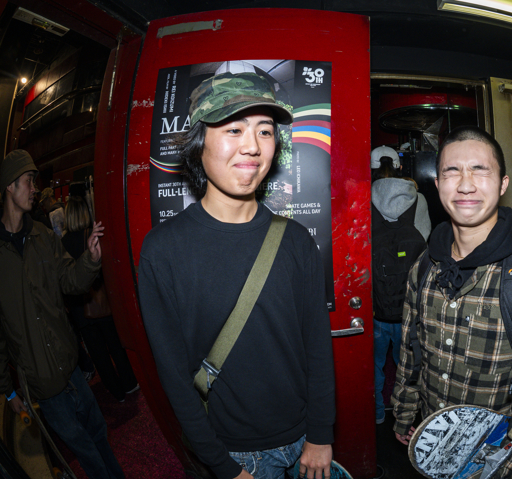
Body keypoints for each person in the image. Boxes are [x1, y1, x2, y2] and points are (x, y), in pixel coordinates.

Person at [138, 72, 335, 479]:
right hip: (236, 454)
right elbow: (173, 374)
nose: (253, 146)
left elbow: (317, 344)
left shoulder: (296, 241)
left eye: (265, 131)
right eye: (233, 129)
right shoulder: (163, 250)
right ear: (198, 143)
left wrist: (320, 433)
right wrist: (221, 465)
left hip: (304, 437)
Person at [391, 126, 512, 478]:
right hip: (431, 439)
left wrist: (506, 469)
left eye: (480, 170)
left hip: (494, 454)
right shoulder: (424, 265)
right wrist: (404, 412)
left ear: (503, 184)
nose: (465, 184)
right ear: (438, 184)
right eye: (452, 171)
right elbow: (411, 351)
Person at [0, 150, 124, 479]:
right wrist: (7, 390)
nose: (35, 189)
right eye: (29, 181)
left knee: (99, 436)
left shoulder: (42, 236)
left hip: (71, 369)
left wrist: (90, 260)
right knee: (84, 450)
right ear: (10, 186)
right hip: (43, 384)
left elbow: (70, 281)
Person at [370, 147, 431, 424]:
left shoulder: (363, 197)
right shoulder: (418, 199)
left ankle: (376, 415)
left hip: (375, 304)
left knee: (373, 366)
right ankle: (405, 418)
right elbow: (425, 243)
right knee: (408, 365)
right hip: (409, 305)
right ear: (399, 167)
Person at [62, 195, 139, 402]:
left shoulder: (61, 244)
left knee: (99, 356)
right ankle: (129, 383)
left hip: (80, 310)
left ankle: (116, 392)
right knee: (115, 346)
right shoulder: (94, 236)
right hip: (101, 302)